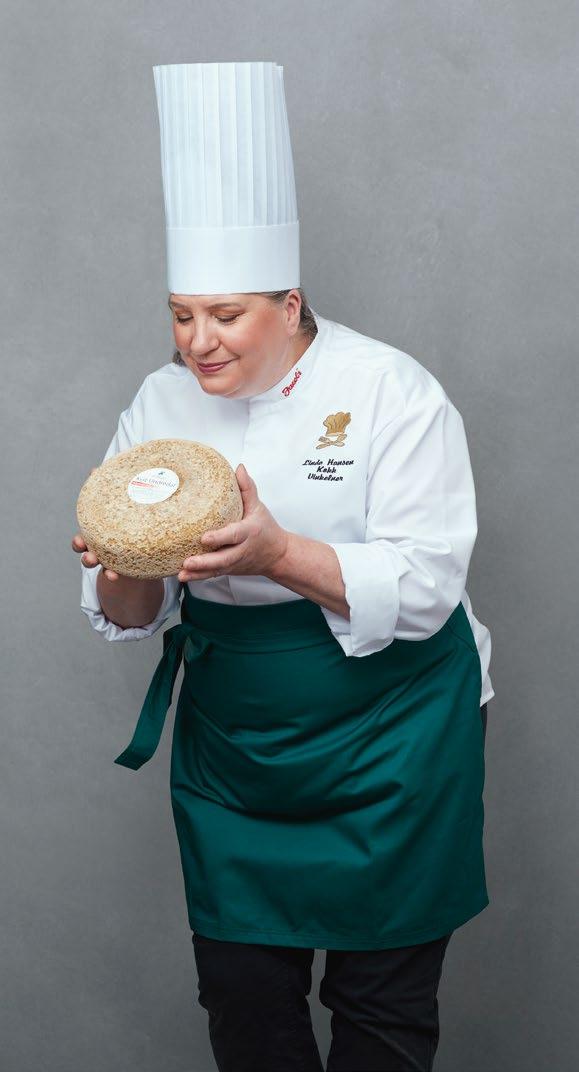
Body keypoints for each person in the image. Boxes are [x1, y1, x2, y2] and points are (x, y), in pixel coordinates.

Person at [72, 61, 494, 1072]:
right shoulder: (159, 404)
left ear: (289, 300)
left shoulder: (389, 390)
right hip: (239, 744)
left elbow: (426, 588)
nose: (198, 342)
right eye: (181, 314)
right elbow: (127, 612)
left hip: (394, 731)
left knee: (380, 1006)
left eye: (226, 315)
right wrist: (118, 562)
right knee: (244, 1000)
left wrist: (277, 553)